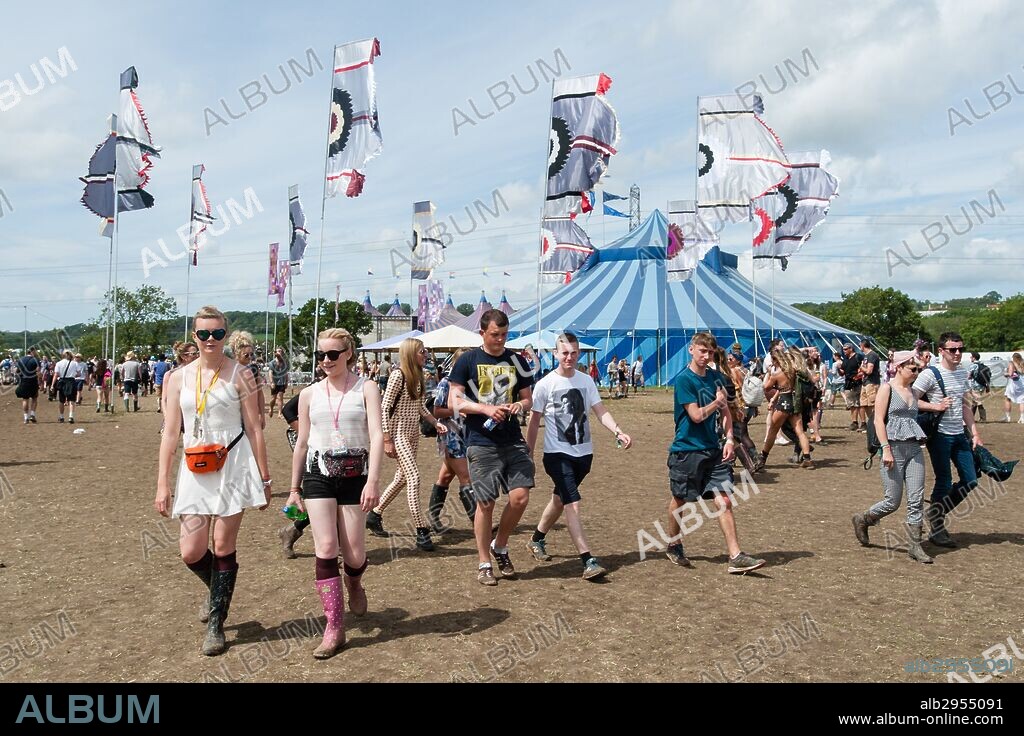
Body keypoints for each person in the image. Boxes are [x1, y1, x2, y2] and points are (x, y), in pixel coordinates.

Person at [154, 306, 271, 657]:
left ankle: (217, 623)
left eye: (217, 334)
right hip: (194, 465)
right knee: (191, 550)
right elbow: (170, 432)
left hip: (233, 464)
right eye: (203, 334)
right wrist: (162, 482)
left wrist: (264, 477)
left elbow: (255, 428)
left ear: (226, 335)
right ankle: (216, 589)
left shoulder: (241, 374)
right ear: (194, 336)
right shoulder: (177, 378)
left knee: (222, 545)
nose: (210, 340)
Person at [287, 328, 383, 658]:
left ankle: (354, 581)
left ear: (348, 354)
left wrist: (373, 481)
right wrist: (293, 488)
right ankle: (334, 627)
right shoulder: (308, 394)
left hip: (356, 474)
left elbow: (377, 436)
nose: (326, 361)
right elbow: (301, 443)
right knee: (326, 546)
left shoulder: (367, 387)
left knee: (354, 554)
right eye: (321, 355)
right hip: (319, 474)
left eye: (333, 354)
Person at [525, 332, 632, 580]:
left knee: (560, 499)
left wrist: (618, 431)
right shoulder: (544, 385)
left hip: (584, 455)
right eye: (564, 353)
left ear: (579, 353)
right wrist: (528, 454)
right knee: (572, 502)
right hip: (556, 454)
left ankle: (536, 539)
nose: (569, 357)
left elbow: (600, 411)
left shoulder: (586, 381)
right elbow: (533, 421)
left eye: (574, 353)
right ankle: (588, 560)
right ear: (555, 354)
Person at [664, 333, 765, 574]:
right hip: (687, 450)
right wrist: (716, 403)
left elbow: (727, 413)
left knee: (724, 500)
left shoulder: (717, 378)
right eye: (702, 351)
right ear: (691, 350)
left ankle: (735, 556)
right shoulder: (684, 381)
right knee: (681, 500)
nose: (706, 356)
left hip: (714, 451)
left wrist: (730, 438)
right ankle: (673, 542)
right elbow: (696, 415)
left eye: (710, 352)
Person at [449, 309, 535, 586]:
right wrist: (485, 409)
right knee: (485, 503)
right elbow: (455, 401)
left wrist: (518, 406)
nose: (500, 340)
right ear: (482, 333)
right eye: (495, 334)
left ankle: (501, 545)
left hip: (513, 440)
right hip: (481, 443)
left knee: (520, 498)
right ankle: (484, 561)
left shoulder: (517, 360)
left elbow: (527, 399)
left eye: (504, 334)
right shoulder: (467, 361)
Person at [365, 338, 448, 550]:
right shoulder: (397, 375)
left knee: (402, 479)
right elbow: (384, 408)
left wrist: (435, 423)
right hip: (399, 433)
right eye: (422, 352)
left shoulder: (418, 376)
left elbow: (421, 408)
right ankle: (421, 530)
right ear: (412, 353)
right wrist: (386, 439)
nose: (426, 355)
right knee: (414, 477)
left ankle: (375, 514)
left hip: (412, 434)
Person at [851, 351, 932, 563]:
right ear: (899, 367)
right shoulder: (887, 388)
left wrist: (937, 406)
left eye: (918, 369)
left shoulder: (913, 392)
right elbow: (878, 420)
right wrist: (885, 449)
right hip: (893, 449)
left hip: (914, 448)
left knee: (916, 499)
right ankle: (863, 519)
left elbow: (917, 407)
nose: (916, 373)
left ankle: (915, 546)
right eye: (913, 369)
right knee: (892, 502)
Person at [912, 331, 983, 548]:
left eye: (960, 349)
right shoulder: (930, 374)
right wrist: (935, 406)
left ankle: (936, 513)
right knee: (943, 480)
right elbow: (909, 400)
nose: (957, 353)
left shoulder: (962, 373)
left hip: (959, 434)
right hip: (939, 436)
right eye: (952, 349)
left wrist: (975, 433)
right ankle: (938, 526)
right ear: (941, 351)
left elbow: (964, 405)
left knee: (970, 479)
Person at [427, 348, 477, 534]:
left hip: (466, 434)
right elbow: (437, 411)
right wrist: (460, 410)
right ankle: (478, 521)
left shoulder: (471, 384)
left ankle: (433, 517)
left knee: (446, 476)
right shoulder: (446, 383)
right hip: (451, 435)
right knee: (466, 477)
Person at [753, 345, 814, 471]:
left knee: (772, 430)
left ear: (776, 360)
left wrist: (770, 374)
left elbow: (766, 388)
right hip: (795, 402)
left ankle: (763, 457)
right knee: (800, 432)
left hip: (784, 403)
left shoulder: (776, 373)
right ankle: (807, 458)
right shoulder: (794, 370)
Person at [229, 331, 266, 429]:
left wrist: (262, 414)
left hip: (250, 413)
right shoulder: (228, 370)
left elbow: (259, 393)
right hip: (233, 415)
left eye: (251, 354)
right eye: (246, 355)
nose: (250, 357)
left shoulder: (253, 369)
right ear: (236, 353)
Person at [838, 343, 865, 431]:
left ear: (851, 349)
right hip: (848, 383)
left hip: (858, 382)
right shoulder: (845, 359)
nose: (844, 351)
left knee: (860, 403)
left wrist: (858, 375)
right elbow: (842, 371)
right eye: (843, 349)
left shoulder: (858, 357)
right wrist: (839, 369)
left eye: (846, 349)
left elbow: (864, 368)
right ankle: (854, 422)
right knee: (851, 404)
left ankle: (863, 423)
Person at [15, 347, 41, 424]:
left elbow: (17, 371)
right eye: (35, 351)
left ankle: (26, 417)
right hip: (33, 381)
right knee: (34, 398)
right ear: (32, 351)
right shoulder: (35, 360)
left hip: (23, 381)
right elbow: (38, 371)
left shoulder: (20, 359)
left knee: (25, 399)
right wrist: (40, 381)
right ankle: (32, 414)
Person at [50, 350, 77, 424]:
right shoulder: (74, 363)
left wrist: (52, 385)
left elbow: (56, 375)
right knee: (72, 400)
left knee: (61, 400)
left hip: (62, 381)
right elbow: (78, 373)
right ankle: (71, 416)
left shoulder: (59, 363)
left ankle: (61, 416)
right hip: (71, 381)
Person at [859, 339, 881, 425]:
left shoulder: (872, 355)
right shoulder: (866, 356)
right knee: (864, 404)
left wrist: (861, 368)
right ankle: (871, 423)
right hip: (865, 382)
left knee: (872, 404)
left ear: (863, 345)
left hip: (872, 383)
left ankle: (876, 424)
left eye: (860, 345)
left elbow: (869, 371)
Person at [1001, 353, 1024, 423]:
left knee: (1008, 399)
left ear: (1013, 358)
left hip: (1014, 384)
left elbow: (1010, 374)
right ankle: (1022, 418)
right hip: (1022, 384)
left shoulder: (1012, 363)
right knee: (1022, 401)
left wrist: (1005, 373)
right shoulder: (1022, 363)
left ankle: (1007, 417)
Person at [267, 348, 290, 418]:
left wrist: (286, 382)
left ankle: (279, 413)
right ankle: (271, 408)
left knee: (280, 397)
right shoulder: (272, 363)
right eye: (278, 351)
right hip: (274, 382)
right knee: (273, 399)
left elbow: (286, 373)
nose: (280, 353)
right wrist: (272, 382)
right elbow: (270, 373)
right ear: (275, 353)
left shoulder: (284, 363)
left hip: (282, 382)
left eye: (281, 351)